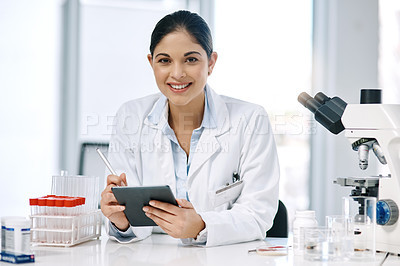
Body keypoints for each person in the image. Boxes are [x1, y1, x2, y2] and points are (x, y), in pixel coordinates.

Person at [100, 10, 280, 247]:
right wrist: (120, 219)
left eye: (191, 59)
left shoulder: (250, 119)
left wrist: (201, 226)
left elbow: (258, 215)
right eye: (164, 60)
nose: (177, 73)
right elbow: (133, 222)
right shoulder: (131, 116)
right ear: (151, 62)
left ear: (211, 63)